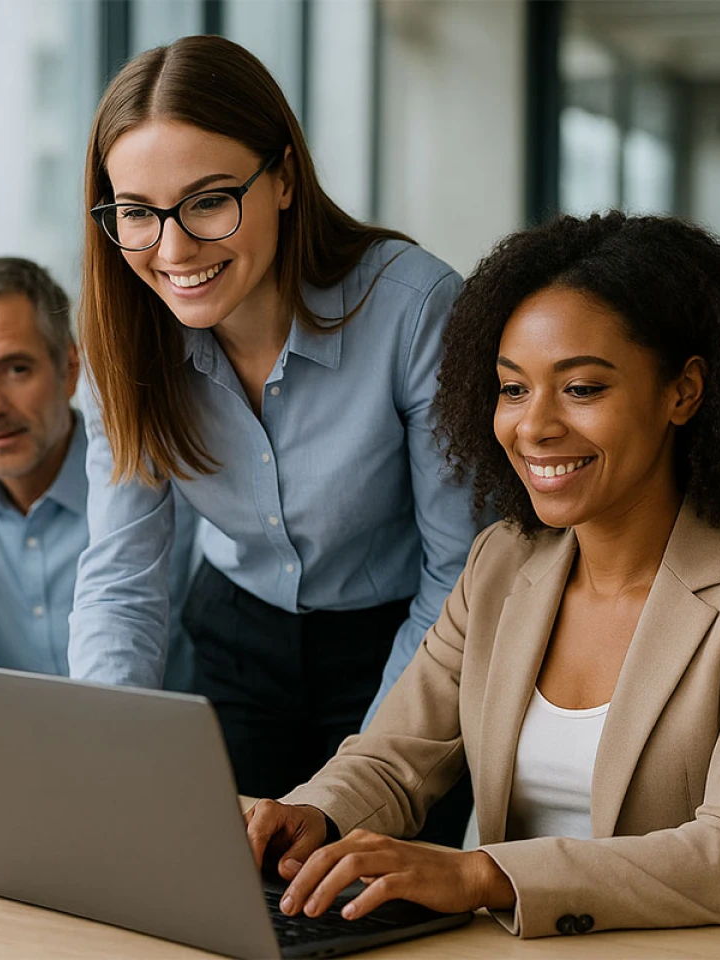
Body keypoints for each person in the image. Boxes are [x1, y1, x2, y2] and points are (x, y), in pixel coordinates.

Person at [244, 212, 720, 944]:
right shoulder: (502, 561)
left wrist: (482, 875)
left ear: (682, 392)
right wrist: (310, 815)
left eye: (582, 389)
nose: (534, 427)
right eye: (512, 389)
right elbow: (394, 758)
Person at [67, 35, 479, 807]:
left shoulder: (414, 309)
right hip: (234, 639)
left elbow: (458, 571)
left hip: (401, 641)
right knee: (216, 896)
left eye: (209, 201)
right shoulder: (122, 339)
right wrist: (105, 744)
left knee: (366, 899)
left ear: (284, 177)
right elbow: (123, 574)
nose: (173, 247)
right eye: (136, 214)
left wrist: (361, 779)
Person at [0, 256, 195, 688]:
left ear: (70, 370)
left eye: (16, 369)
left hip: (167, 745)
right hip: (22, 748)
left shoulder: (155, 476)